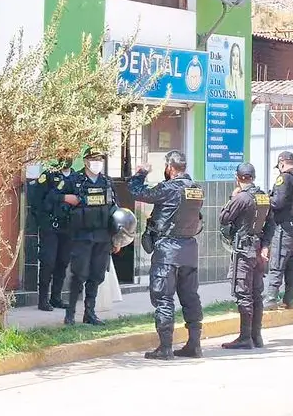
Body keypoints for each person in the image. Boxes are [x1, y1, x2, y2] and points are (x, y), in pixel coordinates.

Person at [128, 150, 205, 360]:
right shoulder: (196, 189)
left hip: (167, 252)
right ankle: (194, 345)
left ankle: (165, 348)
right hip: (189, 250)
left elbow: (137, 192)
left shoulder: (168, 188)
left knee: (163, 299)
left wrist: (141, 173)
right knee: (190, 297)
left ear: (170, 168)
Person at [53, 147, 119, 326]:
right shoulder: (74, 180)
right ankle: (70, 314)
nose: (96, 162)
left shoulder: (107, 182)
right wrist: (66, 198)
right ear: (85, 161)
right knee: (78, 275)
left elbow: (115, 210)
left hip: (102, 236)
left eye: (99, 159)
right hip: (80, 236)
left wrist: (117, 239)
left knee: (97, 275)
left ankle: (89, 313)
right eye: (93, 158)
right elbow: (52, 199)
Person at [218, 162, 270, 350]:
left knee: (243, 294)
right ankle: (256, 336)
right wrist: (265, 247)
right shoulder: (264, 196)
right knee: (257, 293)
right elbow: (270, 224)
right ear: (253, 177)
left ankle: (245, 337)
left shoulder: (241, 198)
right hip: (258, 250)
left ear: (238, 177)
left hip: (244, 251)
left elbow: (224, 217)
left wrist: (232, 198)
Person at [262, 151, 293, 310]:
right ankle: (288, 299)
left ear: (282, 163)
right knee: (292, 264)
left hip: (284, 228)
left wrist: (267, 199)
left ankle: (270, 299)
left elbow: (278, 202)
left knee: (277, 263)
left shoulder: (284, 178)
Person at [30, 157, 74, 311]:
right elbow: (36, 202)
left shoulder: (76, 177)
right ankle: (43, 300)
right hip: (50, 226)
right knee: (48, 262)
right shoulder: (48, 175)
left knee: (63, 262)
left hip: (68, 227)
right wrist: (44, 222)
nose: (67, 157)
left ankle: (56, 297)